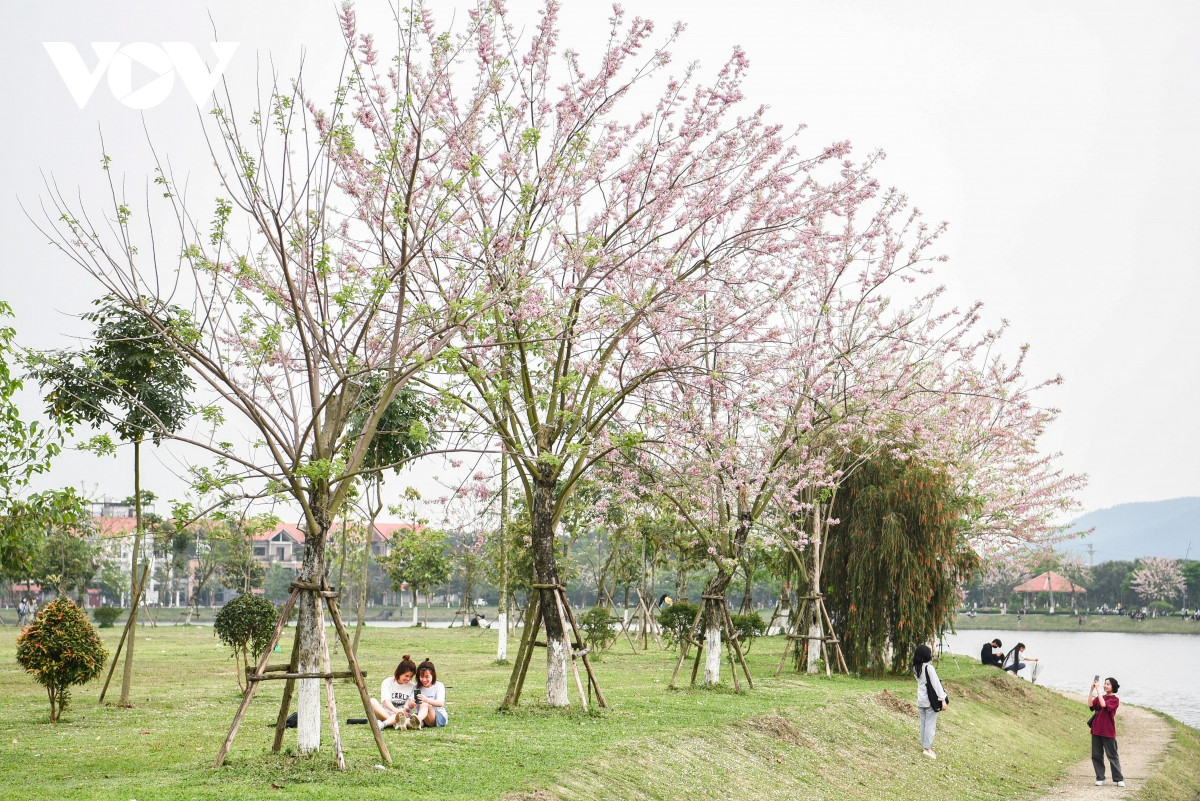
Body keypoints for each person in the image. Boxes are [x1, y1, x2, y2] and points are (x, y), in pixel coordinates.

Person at [912, 643, 948, 759]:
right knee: (930, 725)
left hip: (921, 699)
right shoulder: (929, 668)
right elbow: (936, 685)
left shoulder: (915, 667)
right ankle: (927, 749)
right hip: (930, 700)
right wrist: (943, 700)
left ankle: (925, 745)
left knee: (923, 723)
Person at [1088, 676, 1124, 787]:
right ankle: (1100, 778)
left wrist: (1098, 690)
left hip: (1108, 731)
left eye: (1107, 684)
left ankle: (1118, 779)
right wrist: (1091, 690)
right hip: (1096, 730)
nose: (1104, 685)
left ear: (1112, 687)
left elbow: (1103, 705)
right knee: (1096, 755)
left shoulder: (1115, 699)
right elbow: (1090, 705)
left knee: (1112, 755)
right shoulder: (1100, 696)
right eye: (1104, 683)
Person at [369, 655, 419, 730]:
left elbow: (407, 707)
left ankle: (389, 723)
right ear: (400, 672)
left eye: (411, 676)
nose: (408, 679)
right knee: (372, 701)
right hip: (386, 713)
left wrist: (403, 711)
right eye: (406, 675)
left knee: (411, 721)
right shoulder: (387, 682)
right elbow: (386, 702)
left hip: (403, 715)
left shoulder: (413, 686)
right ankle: (395, 722)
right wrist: (396, 712)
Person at [412, 658, 448, 729]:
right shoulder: (416, 687)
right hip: (423, 717)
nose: (424, 680)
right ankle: (401, 724)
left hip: (438, 716)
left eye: (427, 677)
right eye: (421, 677)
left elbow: (440, 703)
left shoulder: (439, 685)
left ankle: (418, 719)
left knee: (425, 704)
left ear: (433, 675)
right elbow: (411, 702)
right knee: (410, 720)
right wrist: (412, 703)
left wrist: (426, 700)